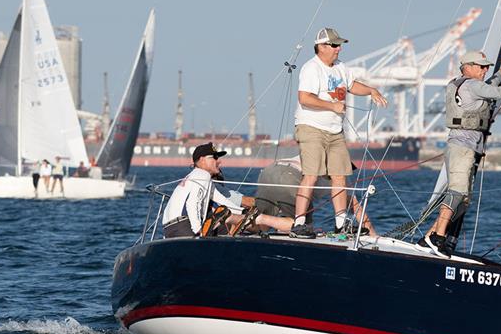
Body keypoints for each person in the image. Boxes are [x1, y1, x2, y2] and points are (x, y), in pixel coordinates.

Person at [417, 51, 501, 257]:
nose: (485, 70)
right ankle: (437, 237)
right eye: (481, 67)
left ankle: (427, 237)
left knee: (463, 198)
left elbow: (489, 87)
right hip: (463, 148)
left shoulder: (459, 83)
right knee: (457, 193)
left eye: (487, 67)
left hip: (466, 146)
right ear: (468, 66)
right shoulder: (473, 86)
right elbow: (500, 93)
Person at [291, 27, 388, 239]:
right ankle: (298, 223)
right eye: (334, 45)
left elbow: (352, 85)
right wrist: (331, 106)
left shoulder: (341, 67)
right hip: (311, 128)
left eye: (339, 45)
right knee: (311, 175)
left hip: (335, 130)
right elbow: (304, 98)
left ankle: (341, 223)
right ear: (322, 47)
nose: (339, 49)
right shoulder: (311, 68)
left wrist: (371, 90)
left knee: (340, 175)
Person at [162, 142, 292, 238]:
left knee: (226, 215)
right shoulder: (202, 175)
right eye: (214, 158)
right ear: (201, 160)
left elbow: (222, 201)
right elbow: (192, 203)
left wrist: (245, 213)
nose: (218, 162)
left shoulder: (195, 177)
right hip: (185, 226)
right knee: (227, 224)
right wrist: (199, 232)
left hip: (170, 229)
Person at [256, 156, 376, 236]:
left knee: (261, 229)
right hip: (289, 176)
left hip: (268, 171)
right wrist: (373, 236)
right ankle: (260, 218)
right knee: (303, 228)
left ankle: (244, 218)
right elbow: (356, 208)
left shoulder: (315, 154)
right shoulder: (339, 179)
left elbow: (355, 207)